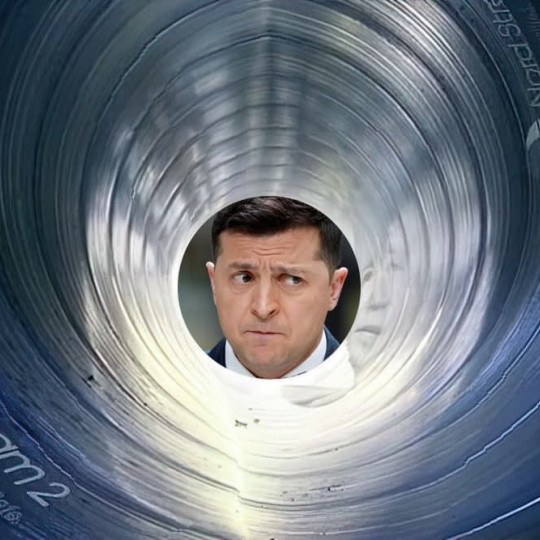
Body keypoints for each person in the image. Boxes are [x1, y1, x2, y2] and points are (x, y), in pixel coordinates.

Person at [205, 196, 348, 379]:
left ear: (334, 289)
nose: (263, 308)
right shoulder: (172, 390)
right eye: (244, 278)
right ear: (214, 283)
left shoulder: (374, 393)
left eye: (292, 279)